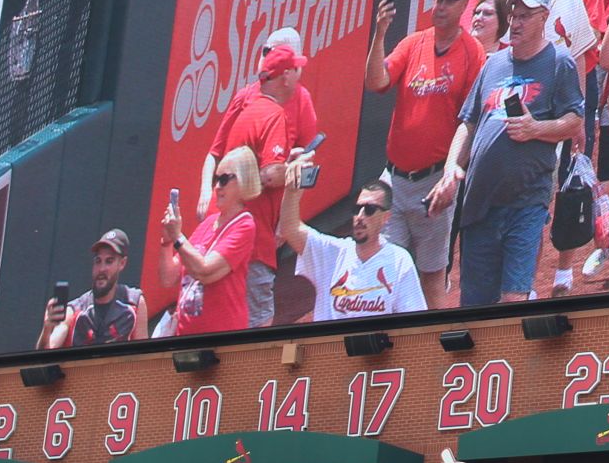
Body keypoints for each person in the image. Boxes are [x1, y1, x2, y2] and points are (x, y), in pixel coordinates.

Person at [427, 0, 585, 303]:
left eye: (525, 15)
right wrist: (449, 168)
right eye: (513, 14)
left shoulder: (558, 62)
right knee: (476, 305)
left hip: (525, 200)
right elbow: (468, 123)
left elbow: (575, 122)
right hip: (480, 201)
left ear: (544, 17)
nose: (516, 22)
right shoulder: (494, 64)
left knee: (514, 298)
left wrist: (535, 129)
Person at [368, 0, 485, 307]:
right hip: (394, 179)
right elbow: (376, 82)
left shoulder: (472, 53)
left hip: (433, 183)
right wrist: (379, 34)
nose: (440, 6)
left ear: (464, 5)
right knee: (384, 271)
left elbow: (472, 121)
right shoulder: (413, 43)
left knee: (431, 277)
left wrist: (452, 176)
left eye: (449, 0)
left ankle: (434, 353)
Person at [201, 46, 299, 326]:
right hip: (251, 239)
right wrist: (292, 168)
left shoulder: (248, 109)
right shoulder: (274, 115)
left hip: (221, 233)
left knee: (221, 319)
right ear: (286, 76)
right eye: (294, 70)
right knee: (258, 329)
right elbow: (269, 176)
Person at [277, 156, 427, 322]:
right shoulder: (331, 253)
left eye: (369, 209)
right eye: (357, 209)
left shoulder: (399, 261)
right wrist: (291, 191)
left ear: (386, 217)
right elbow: (290, 229)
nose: (360, 216)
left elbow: (414, 319)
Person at [161, 146, 262, 338]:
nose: (217, 187)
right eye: (216, 179)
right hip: (187, 337)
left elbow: (205, 272)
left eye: (224, 179)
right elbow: (168, 278)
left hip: (223, 339)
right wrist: (166, 243)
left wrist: (177, 237)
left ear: (242, 182)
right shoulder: (208, 223)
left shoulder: (244, 224)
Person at [39, 230, 147, 348]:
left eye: (109, 261)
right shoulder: (74, 311)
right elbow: (45, 355)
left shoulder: (134, 303)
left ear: (122, 263)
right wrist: (47, 328)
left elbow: (146, 358)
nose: (101, 269)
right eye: (98, 261)